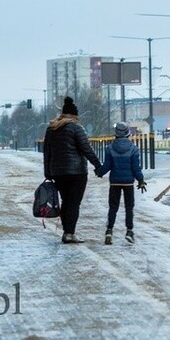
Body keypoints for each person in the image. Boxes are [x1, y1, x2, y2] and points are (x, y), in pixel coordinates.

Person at [43, 96, 102, 244]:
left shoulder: (52, 128)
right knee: (74, 203)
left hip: (58, 172)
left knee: (66, 201)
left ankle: (66, 232)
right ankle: (70, 233)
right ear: (75, 115)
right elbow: (86, 149)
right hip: (77, 173)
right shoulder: (76, 127)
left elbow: (47, 152)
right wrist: (98, 165)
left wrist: (48, 172)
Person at [95, 122, 147, 245]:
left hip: (115, 182)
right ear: (127, 133)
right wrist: (140, 180)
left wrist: (100, 172)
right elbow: (136, 167)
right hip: (128, 183)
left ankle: (109, 231)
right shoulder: (133, 149)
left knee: (113, 207)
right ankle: (129, 231)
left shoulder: (110, 148)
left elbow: (107, 166)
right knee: (129, 207)